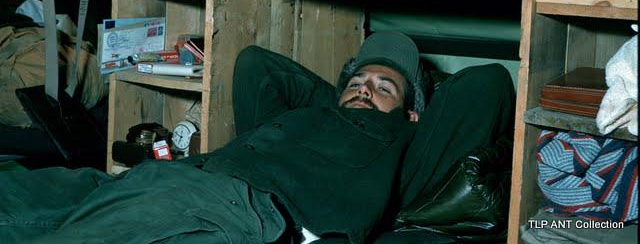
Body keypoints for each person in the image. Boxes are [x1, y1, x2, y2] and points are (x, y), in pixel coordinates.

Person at [0, 31, 514, 243]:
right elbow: (256, 66)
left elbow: (487, 83)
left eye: (384, 88)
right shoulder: (311, 115)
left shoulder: (405, 146)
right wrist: (343, 95)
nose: (365, 91)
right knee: (16, 195)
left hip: (240, 209)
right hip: (164, 178)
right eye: (358, 82)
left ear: (413, 114)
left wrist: (395, 107)